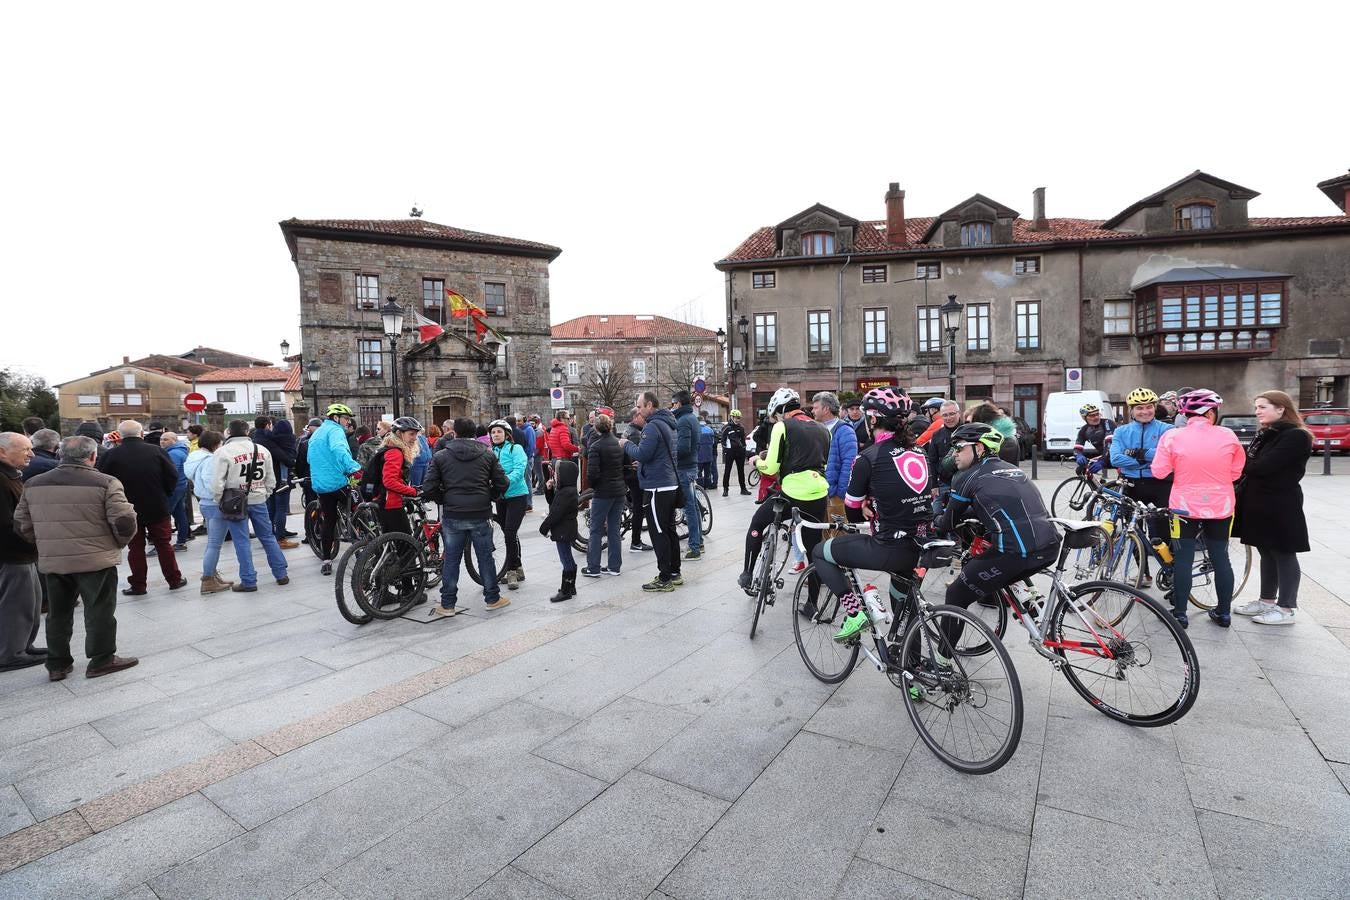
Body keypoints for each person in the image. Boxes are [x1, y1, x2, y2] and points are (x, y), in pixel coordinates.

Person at [14, 435, 140, 680]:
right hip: (95, 559)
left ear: (61, 455)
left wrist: (44, 544)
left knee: (58, 613)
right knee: (99, 610)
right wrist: (116, 544)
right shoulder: (105, 482)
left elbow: (21, 524)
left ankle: (57, 663)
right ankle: (101, 659)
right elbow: (124, 521)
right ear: (92, 456)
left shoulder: (34, 483)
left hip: (55, 561)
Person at [809, 388, 931, 640]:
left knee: (820, 552)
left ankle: (854, 614)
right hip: (920, 544)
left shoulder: (867, 458)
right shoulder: (920, 452)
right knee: (904, 612)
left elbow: (853, 512)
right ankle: (913, 668)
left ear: (872, 419)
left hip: (888, 546)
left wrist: (868, 507)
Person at [935, 423, 1059, 646]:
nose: (954, 453)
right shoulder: (1012, 469)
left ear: (979, 448)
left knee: (955, 594)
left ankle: (943, 662)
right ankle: (1030, 598)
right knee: (1003, 564)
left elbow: (947, 524)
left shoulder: (967, 477)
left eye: (959, 447)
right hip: (1050, 546)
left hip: (1016, 553)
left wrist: (931, 518)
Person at [1151, 389, 1246, 628]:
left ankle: (1180, 614)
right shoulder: (1228, 435)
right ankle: (1224, 613)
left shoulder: (1172, 436)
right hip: (1221, 506)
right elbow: (1236, 472)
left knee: (1183, 558)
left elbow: (1159, 471)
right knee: (1221, 558)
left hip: (1183, 507)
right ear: (1211, 412)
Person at [738, 388, 829, 600]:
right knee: (813, 550)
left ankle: (748, 573)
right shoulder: (824, 429)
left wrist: (756, 461)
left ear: (781, 410)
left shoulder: (782, 426)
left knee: (757, 523)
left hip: (792, 493)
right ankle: (811, 604)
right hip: (818, 494)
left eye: (777, 414)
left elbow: (770, 468)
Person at [1232, 391, 1313, 626]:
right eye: (1257, 407)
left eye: (1263, 407)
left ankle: (1286, 608)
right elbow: (1252, 464)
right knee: (1265, 550)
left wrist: (1239, 461)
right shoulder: (1268, 433)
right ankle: (1267, 600)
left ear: (1281, 409)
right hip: (1260, 501)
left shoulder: (1296, 436)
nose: (1257, 411)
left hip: (1281, 502)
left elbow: (1263, 466)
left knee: (1284, 552)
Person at [422, 416, 510, 616]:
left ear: (454, 433)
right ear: (475, 434)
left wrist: (443, 499)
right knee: (485, 558)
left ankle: (448, 604)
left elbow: (428, 487)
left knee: (452, 559)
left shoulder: (442, 456)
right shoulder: (488, 455)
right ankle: (492, 598)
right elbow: (502, 483)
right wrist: (490, 496)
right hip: (480, 511)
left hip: (453, 513)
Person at [97, 420, 185, 595]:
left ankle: (138, 585)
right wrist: (165, 493)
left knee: (135, 547)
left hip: (125, 508)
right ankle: (174, 579)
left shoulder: (110, 455)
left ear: (120, 435)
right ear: (141, 434)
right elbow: (172, 476)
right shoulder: (157, 451)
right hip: (157, 505)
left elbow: (103, 482)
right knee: (163, 544)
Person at [208, 419, 289, 592]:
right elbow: (271, 478)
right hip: (259, 498)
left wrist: (219, 499)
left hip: (234, 501)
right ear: (247, 431)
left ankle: (249, 580)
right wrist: (265, 493)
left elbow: (216, 482)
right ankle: (281, 573)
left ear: (229, 432)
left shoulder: (223, 452)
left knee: (242, 541)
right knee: (267, 536)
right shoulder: (262, 450)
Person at [1110, 388, 1173, 587]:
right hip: (1131, 486)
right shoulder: (1121, 431)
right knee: (1134, 531)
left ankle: (1169, 570)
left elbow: (1167, 455)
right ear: (1131, 411)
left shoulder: (1167, 429)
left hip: (1159, 485)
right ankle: (1143, 573)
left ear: (1155, 408)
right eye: (1139, 408)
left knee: (1161, 533)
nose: (1144, 411)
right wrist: (1147, 459)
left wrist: (1137, 454)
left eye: (1148, 407)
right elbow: (1115, 458)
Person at [621, 391, 682, 591]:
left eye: (639, 407)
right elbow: (660, 454)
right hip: (669, 482)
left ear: (649, 405)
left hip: (657, 486)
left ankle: (664, 578)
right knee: (669, 529)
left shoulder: (652, 427)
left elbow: (643, 453)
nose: (638, 410)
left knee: (658, 532)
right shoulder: (668, 422)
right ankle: (675, 572)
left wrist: (627, 444)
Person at [0, 432, 45, 671]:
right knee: (16, 605)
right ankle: (10, 653)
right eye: (25, 449)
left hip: (24, 552)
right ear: (2, 452)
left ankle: (24, 645)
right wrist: (29, 540)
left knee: (30, 602)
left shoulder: (11, 475)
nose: (31, 454)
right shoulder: (2, 479)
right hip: (12, 555)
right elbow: (8, 524)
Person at [307, 404, 362, 576]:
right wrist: (354, 468)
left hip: (321, 485)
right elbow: (339, 450)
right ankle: (363, 546)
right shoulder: (335, 431)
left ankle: (326, 561)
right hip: (337, 482)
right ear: (336, 418)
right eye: (346, 418)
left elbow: (309, 458)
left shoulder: (316, 433)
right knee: (359, 509)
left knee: (329, 520)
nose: (348, 422)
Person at [185, 430, 235, 594]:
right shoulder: (211, 460)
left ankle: (212, 575)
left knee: (213, 543)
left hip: (205, 502)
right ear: (215, 445)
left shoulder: (194, 456)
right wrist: (220, 498)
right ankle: (207, 579)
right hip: (214, 503)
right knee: (215, 545)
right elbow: (211, 482)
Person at [488, 418, 529, 590]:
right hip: (501, 498)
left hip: (517, 495)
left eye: (499, 431)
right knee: (509, 533)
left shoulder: (515, 448)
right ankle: (518, 567)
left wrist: (504, 482)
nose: (496, 435)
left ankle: (511, 570)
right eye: (493, 432)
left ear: (506, 434)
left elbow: (520, 470)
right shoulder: (490, 452)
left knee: (510, 533)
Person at [583, 412, 626, 578]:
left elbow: (592, 474)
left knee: (596, 530)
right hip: (619, 491)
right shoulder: (618, 443)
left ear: (596, 428)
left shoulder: (595, 446)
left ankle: (593, 567)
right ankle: (614, 566)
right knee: (614, 529)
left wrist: (595, 487)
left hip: (603, 492)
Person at [814, 391, 859, 524]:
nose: (813, 411)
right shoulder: (816, 429)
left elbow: (849, 464)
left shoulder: (844, 430)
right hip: (819, 492)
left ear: (826, 409)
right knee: (823, 534)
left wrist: (840, 493)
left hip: (835, 494)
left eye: (816, 407)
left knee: (839, 534)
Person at [540, 458, 581, 602]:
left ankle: (566, 591)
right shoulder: (567, 490)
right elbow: (552, 502)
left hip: (563, 531)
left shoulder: (566, 493)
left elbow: (555, 513)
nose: (555, 477)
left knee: (566, 560)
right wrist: (549, 489)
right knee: (568, 558)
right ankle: (571, 587)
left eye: (557, 474)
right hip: (566, 530)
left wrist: (544, 527)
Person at [673, 390, 703, 560]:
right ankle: (698, 542)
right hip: (690, 466)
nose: (673, 406)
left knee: (689, 508)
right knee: (693, 507)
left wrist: (670, 454)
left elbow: (683, 448)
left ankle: (694, 548)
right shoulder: (691, 418)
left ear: (679, 403)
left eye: (674, 403)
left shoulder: (684, 420)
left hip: (684, 468)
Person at [257, 418, 298, 539]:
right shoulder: (283, 440)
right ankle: (279, 536)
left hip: (269, 478)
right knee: (281, 509)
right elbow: (287, 460)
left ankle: (273, 532)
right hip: (281, 480)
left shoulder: (269, 439)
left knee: (271, 507)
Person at [925, 401, 962, 512]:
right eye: (945, 415)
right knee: (936, 515)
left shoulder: (969, 430)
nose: (948, 418)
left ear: (958, 413)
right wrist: (934, 485)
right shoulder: (937, 435)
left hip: (965, 482)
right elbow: (932, 460)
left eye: (952, 414)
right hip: (944, 483)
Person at [624, 408, 652, 552]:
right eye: (642, 416)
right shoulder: (635, 434)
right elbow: (638, 456)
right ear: (635, 417)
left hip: (628, 474)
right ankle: (636, 542)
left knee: (636, 506)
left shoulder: (629, 430)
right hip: (634, 475)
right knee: (639, 508)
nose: (645, 418)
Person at [161, 431, 191, 552]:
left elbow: (171, 472)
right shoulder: (180, 451)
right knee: (180, 513)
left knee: (165, 515)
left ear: (174, 440)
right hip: (180, 486)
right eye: (162, 439)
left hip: (173, 488)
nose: (162, 441)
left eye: (166, 439)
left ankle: (163, 543)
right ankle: (181, 541)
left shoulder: (173, 453)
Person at [1073, 403, 1114, 476]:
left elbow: (1110, 444)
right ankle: (1098, 486)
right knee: (1081, 470)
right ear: (1085, 418)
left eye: (1097, 414)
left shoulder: (1107, 423)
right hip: (1106, 456)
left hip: (1119, 454)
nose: (1096, 417)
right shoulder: (1084, 429)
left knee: (1122, 478)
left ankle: (1115, 486)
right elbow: (1077, 447)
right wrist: (1078, 455)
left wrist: (1102, 461)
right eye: (1092, 415)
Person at [293, 418, 321, 510]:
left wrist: (301, 478)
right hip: (324, 478)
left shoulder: (305, 444)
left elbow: (300, 464)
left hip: (309, 478)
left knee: (311, 505)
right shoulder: (327, 442)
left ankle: (312, 523)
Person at [720, 410, 750, 496]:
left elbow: (743, 441)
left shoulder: (741, 428)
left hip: (740, 452)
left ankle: (743, 489)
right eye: (736, 418)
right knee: (727, 471)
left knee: (741, 471)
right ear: (732, 417)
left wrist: (744, 449)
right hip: (730, 452)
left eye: (739, 418)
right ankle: (725, 489)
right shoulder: (727, 427)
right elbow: (723, 441)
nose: (737, 420)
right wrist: (726, 450)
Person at [751, 413, 777, 503]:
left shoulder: (779, 425)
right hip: (765, 452)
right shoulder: (764, 425)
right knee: (767, 475)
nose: (774, 418)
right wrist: (765, 444)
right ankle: (764, 496)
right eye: (772, 416)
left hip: (774, 452)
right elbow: (755, 436)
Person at [517, 415, 537, 509]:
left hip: (527, 459)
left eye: (519, 421)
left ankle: (529, 503)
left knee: (527, 480)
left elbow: (531, 445)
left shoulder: (529, 429)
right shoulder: (520, 429)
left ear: (524, 420)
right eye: (516, 421)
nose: (518, 423)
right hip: (522, 458)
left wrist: (526, 457)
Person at [697, 416, 717, 490]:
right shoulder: (710, 430)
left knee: (699, 472)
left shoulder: (697, 430)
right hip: (709, 455)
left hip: (699, 456)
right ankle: (707, 485)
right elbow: (713, 442)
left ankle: (701, 487)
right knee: (707, 472)